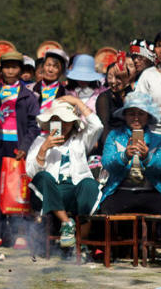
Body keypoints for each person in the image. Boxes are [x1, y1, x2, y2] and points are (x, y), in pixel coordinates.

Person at [26, 96, 103, 248]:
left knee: (89, 184)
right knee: (44, 177)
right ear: (51, 121)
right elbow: (31, 172)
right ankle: (66, 223)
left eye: (66, 120)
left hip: (75, 189)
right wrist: (44, 149)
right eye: (58, 120)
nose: (62, 124)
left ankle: (81, 244)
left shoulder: (81, 139)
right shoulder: (41, 140)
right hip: (51, 190)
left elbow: (97, 126)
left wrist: (78, 103)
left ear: (73, 122)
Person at [0, 50, 40, 247]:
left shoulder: (28, 96)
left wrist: (25, 146)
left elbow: (35, 125)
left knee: (19, 191)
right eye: (6, 66)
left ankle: (20, 233)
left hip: (17, 147)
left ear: (20, 70)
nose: (10, 70)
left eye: (14, 67)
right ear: (1, 69)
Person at [99, 92, 161, 215]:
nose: (136, 118)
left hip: (149, 191)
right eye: (131, 113)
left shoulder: (157, 139)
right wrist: (124, 156)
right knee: (105, 213)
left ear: (147, 116)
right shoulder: (114, 136)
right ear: (125, 116)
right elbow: (107, 163)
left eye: (141, 113)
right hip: (120, 190)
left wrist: (147, 158)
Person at [135, 32, 161, 137]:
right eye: (159, 46)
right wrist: (156, 109)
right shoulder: (147, 75)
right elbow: (137, 105)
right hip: (152, 133)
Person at [96, 57, 132, 154]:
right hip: (110, 145)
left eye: (118, 77)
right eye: (110, 76)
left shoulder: (133, 95)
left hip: (131, 142)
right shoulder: (103, 98)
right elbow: (104, 128)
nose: (113, 81)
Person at [33, 48, 68, 112]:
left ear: (61, 71)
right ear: (43, 66)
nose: (50, 70)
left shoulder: (66, 94)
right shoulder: (31, 89)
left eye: (55, 67)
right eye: (48, 65)